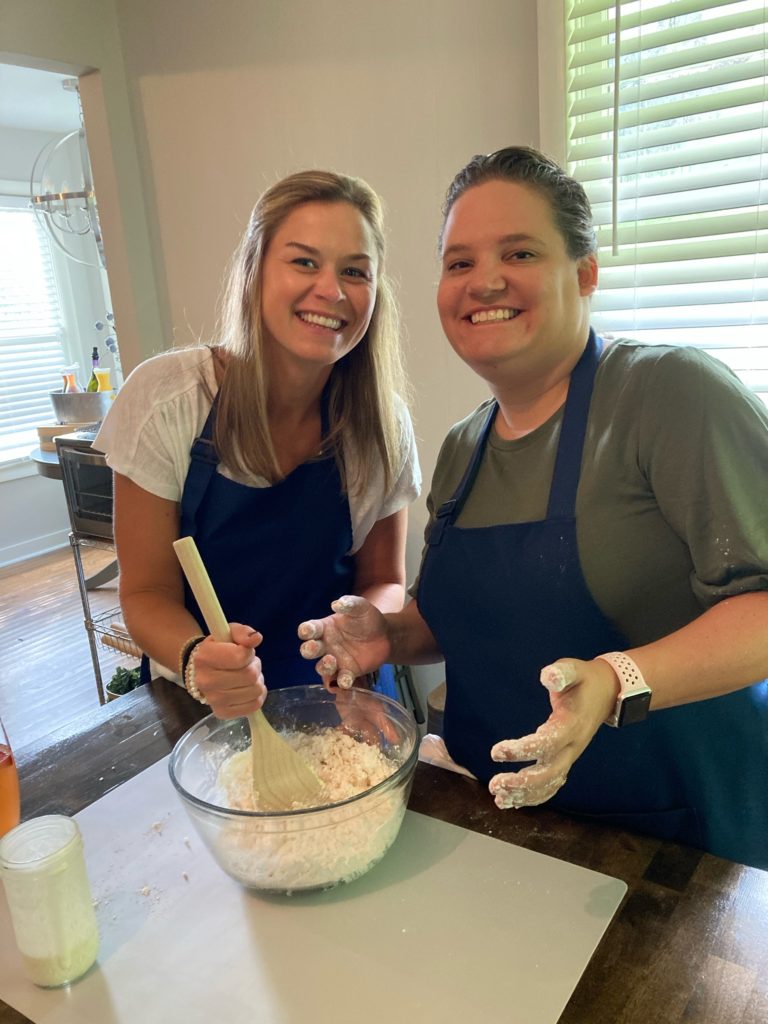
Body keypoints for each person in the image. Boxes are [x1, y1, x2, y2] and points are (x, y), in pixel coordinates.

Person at [298, 146, 768, 869]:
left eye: (518, 252)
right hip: (501, 825)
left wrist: (616, 679)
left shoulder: (668, 394)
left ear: (585, 274)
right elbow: (462, 622)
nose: (484, 280)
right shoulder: (464, 447)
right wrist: (388, 634)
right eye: (459, 262)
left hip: (672, 843)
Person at [96, 170, 420, 719]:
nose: (332, 290)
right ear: (254, 271)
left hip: (342, 696)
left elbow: (383, 580)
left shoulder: (382, 424)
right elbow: (146, 593)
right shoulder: (168, 399)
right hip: (205, 705)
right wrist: (198, 660)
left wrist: (357, 631)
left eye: (355, 271)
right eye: (304, 262)